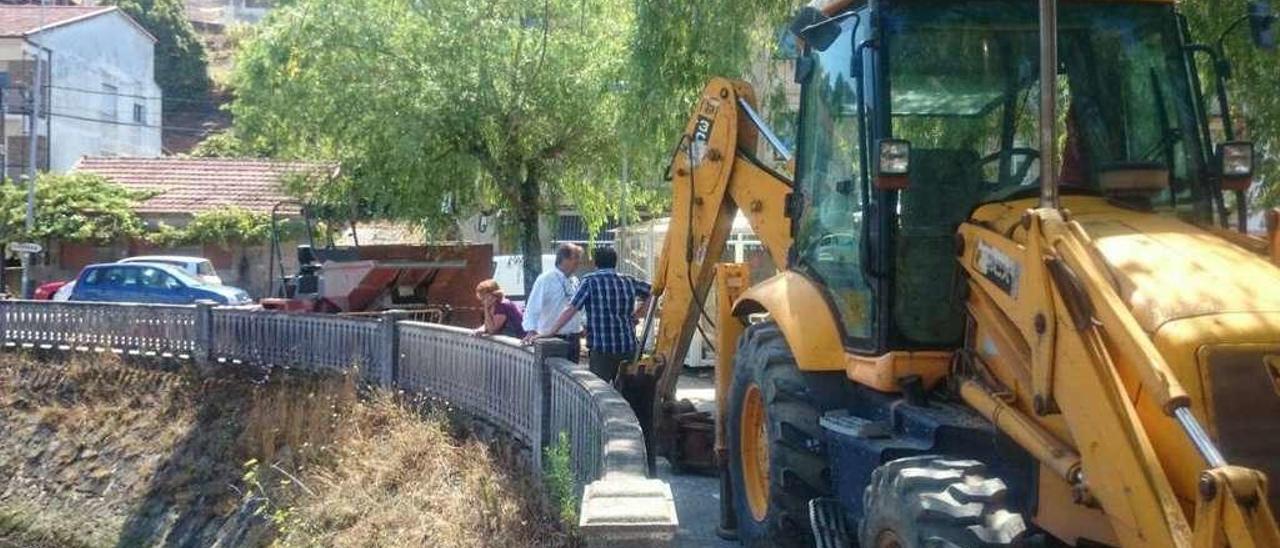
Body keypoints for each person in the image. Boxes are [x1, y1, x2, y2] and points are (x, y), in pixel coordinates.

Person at [543, 247, 651, 383]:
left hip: (601, 348)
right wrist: (638, 314)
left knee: (600, 392)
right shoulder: (628, 280)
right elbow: (654, 292)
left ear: (596, 263)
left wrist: (551, 331)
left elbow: (571, 309)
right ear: (615, 262)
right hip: (627, 346)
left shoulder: (590, 281)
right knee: (627, 392)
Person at [522, 243, 585, 362]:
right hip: (552, 338)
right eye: (575, 258)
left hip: (573, 338)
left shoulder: (574, 280)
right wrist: (531, 330)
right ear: (564, 259)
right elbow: (533, 307)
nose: (578, 263)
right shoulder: (546, 279)